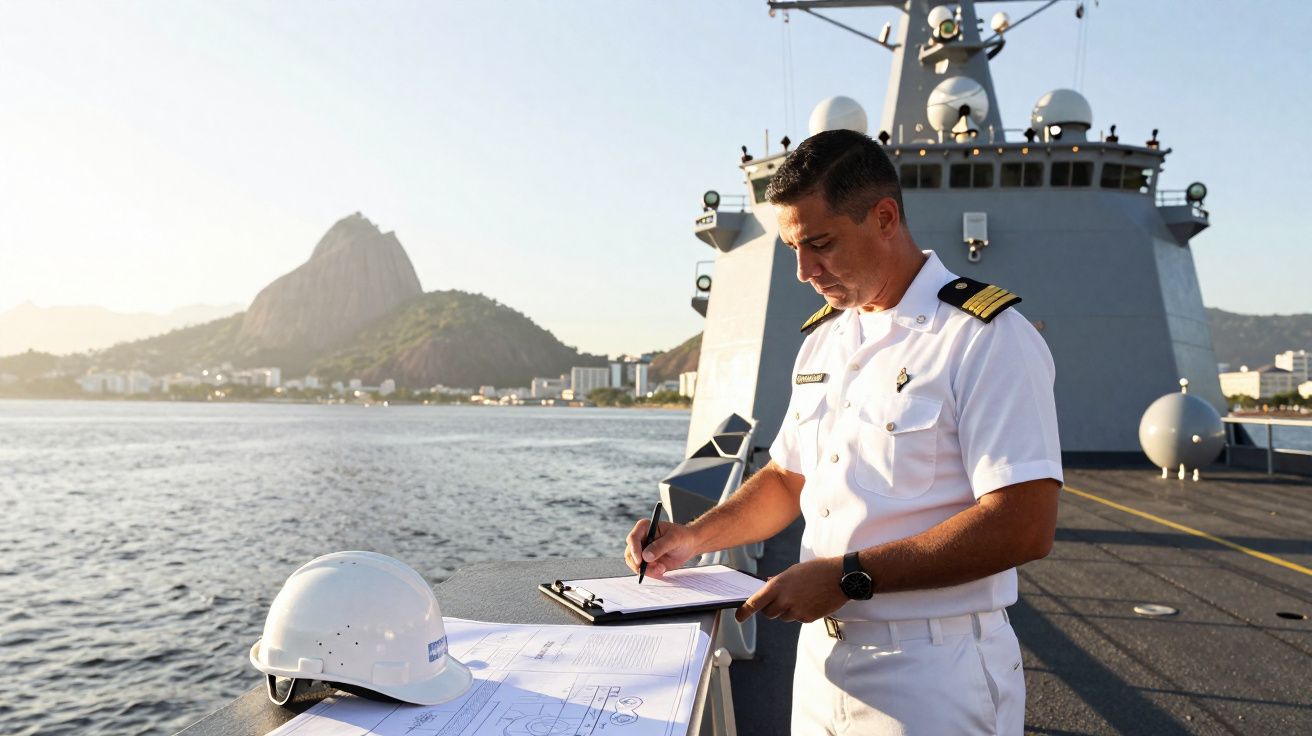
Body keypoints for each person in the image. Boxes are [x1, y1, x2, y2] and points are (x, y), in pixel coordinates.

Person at [624, 128, 1062, 735]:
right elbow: (786, 478)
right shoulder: (827, 340)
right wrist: (692, 538)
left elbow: (1024, 523)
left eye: (821, 244)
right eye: (793, 249)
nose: (804, 271)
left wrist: (847, 576)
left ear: (885, 217)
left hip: (933, 671)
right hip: (822, 662)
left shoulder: (984, 338)